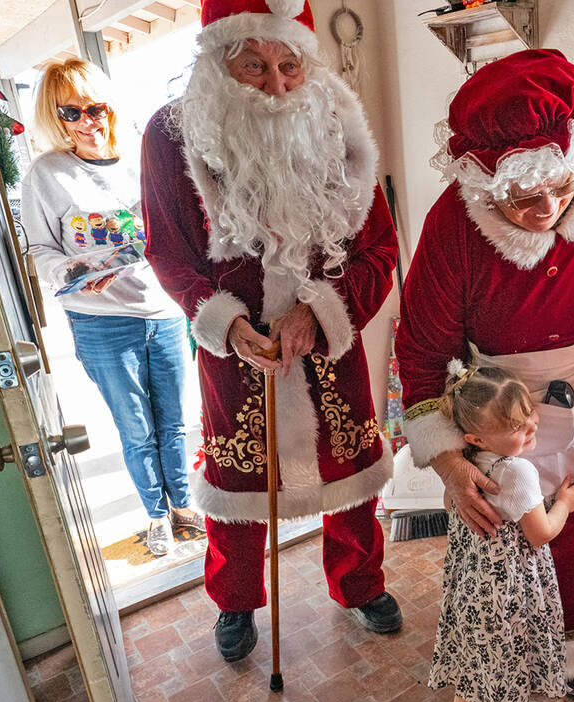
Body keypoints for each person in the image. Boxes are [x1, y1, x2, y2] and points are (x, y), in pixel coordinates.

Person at [396, 48, 574, 697]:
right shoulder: (453, 224)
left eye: (564, 185)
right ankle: (518, 662)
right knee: (516, 549)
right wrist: (447, 463)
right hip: (504, 416)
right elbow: (419, 355)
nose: (548, 208)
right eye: (524, 196)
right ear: (483, 180)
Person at [140, 0, 401, 662]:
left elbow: (378, 251)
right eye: (254, 65)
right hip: (236, 354)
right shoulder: (169, 139)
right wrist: (224, 325)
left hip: (326, 342)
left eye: (290, 64)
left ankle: (359, 583)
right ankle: (233, 599)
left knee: (350, 465)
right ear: (217, 63)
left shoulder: (340, 129)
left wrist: (320, 311)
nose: (278, 85)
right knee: (235, 484)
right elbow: (169, 253)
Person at [23, 58, 201, 558]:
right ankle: (156, 515)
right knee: (134, 427)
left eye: (94, 108)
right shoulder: (47, 174)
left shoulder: (140, 162)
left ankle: (185, 505)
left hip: (162, 312)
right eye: (70, 112)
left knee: (173, 421)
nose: (86, 121)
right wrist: (74, 274)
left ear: (109, 109)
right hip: (99, 322)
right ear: (55, 119)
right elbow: (40, 250)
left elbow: (172, 229)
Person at [427, 362, 574, 702]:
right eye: (518, 427)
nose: (532, 428)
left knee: (490, 655)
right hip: (502, 590)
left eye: (528, 416)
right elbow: (540, 532)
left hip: (474, 581)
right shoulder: (517, 471)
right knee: (481, 662)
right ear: (477, 436)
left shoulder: (466, 463)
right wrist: (565, 504)